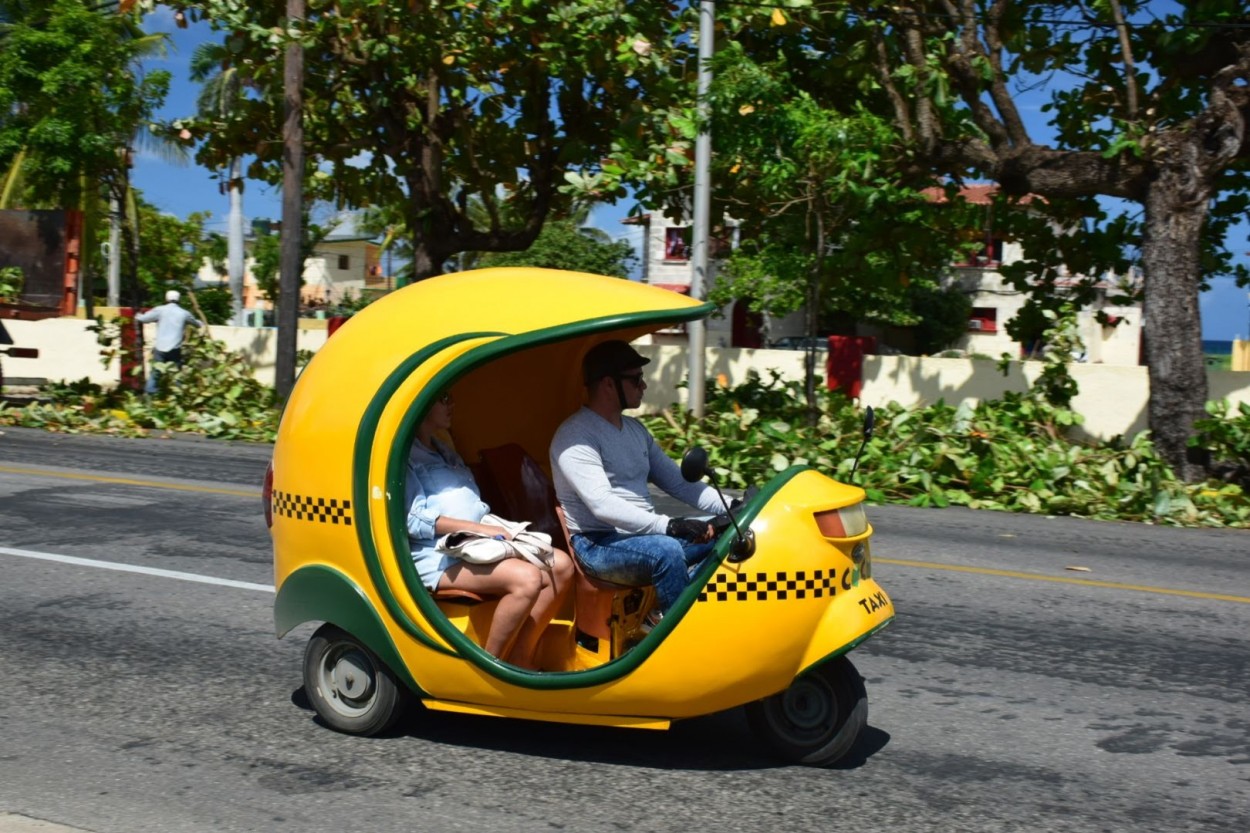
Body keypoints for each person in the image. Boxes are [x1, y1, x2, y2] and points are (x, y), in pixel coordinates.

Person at [550, 340, 724, 631]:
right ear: (608, 383)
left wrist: (735, 506)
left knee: (728, 530)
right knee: (666, 551)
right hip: (598, 544)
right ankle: (678, 638)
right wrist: (668, 525)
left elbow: (680, 483)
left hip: (644, 537)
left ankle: (657, 615)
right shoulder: (575, 436)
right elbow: (602, 504)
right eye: (635, 379)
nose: (643, 386)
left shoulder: (635, 430)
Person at [405, 390, 574, 669]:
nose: (452, 404)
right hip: (438, 554)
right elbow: (416, 521)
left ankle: (521, 657)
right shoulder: (406, 456)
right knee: (527, 580)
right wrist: (479, 529)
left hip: (475, 541)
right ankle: (490, 671)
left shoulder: (444, 449)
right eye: (443, 399)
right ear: (422, 405)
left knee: (562, 566)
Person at [135, 289, 203, 394]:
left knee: (156, 373)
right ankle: (179, 397)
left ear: (166, 299)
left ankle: (149, 395)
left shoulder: (160, 310)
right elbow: (197, 324)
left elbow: (144, 319)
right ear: (179, 300)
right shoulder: (184, 313)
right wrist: (201, 323)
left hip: (160, 348)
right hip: (174, 349)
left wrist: (137, 315)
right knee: (176, 375)